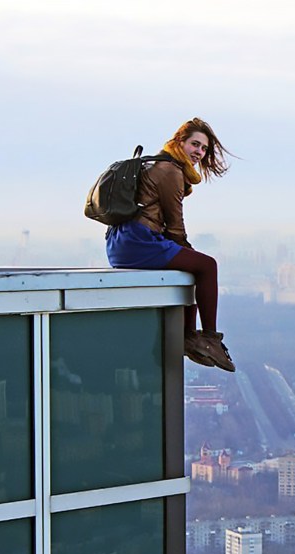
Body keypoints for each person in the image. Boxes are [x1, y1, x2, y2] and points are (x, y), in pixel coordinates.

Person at [105, 118, 235, 371]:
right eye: (195, 144)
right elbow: (175, 227)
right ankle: (208, 338)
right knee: (207, 266)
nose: (199, 152)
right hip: (138, 240)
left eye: (204, 148)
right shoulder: (170, 171)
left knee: (192, 266)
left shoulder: (159, 164)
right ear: (180, 142)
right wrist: (190, 252)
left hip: (124, 240)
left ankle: (189, 336)